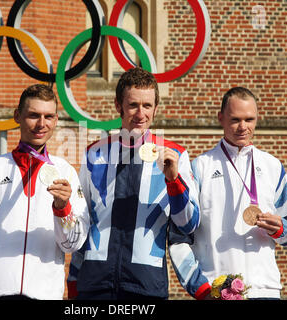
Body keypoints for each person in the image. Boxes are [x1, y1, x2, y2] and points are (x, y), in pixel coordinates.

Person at [67, 67, 209, 300]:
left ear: (155, 109)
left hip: (145, 285)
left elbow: (188, 224)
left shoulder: (175, 155)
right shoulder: (95, 153)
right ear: (118, 106)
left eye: (147, 106)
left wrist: (173, 181)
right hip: (94, 285)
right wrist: (73, 282)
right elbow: (84, 220)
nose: (140, 113)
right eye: (133, 105)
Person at [0, 84, 89, 300]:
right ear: (18, 116)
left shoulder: (66, 173)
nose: (41, 124)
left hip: (43, 294)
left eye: (49, 117)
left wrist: (63, 209)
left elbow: (72, 244)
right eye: (33, 115)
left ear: (56, 120)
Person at [190, 86, 287, 299]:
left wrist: (281, 228)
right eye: (235, 119)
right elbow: (183, 233)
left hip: (265, 290)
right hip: (218, 290)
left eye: (249, 119)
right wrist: (201, 287)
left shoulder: (272, 166)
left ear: (257, 119)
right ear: (221, 118)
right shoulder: (200, 167)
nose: (243, 127)